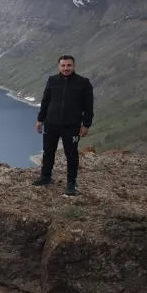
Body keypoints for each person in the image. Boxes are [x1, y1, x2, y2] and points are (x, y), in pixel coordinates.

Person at [32, 55, 94, 196]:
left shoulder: (83, 83)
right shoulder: (52, 80)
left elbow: (88, 106)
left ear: (74, 66)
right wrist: (40, 119)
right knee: (48, 152)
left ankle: (71, 183)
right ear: (59, 66)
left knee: (71, 155)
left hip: (71, 126)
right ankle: (45, 177)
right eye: (63, 65)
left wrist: (86, 124)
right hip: (51, 124)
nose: (66, 68)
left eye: (69, 65)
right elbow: (45, 101)